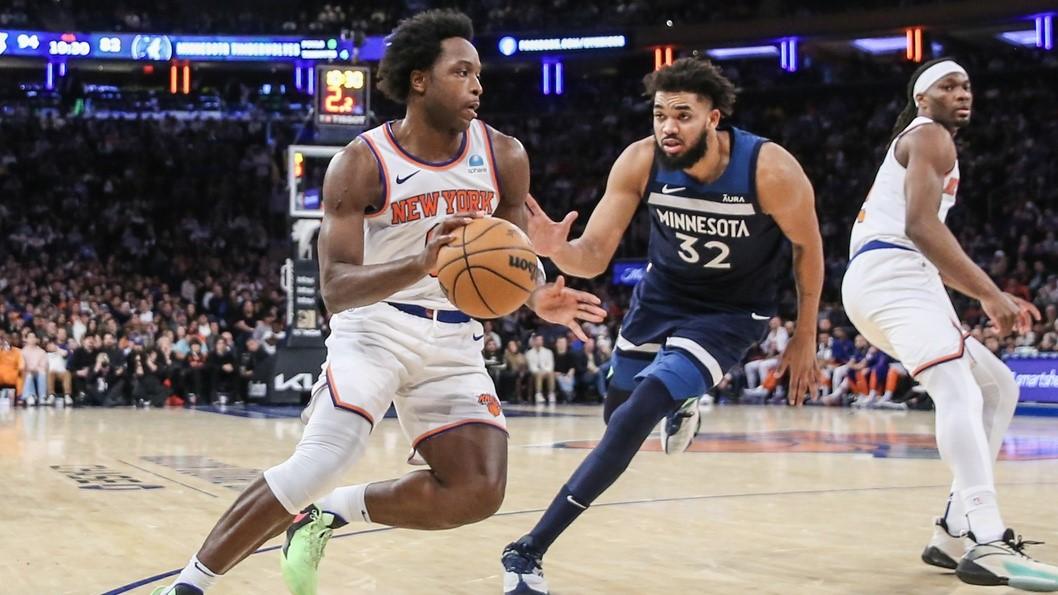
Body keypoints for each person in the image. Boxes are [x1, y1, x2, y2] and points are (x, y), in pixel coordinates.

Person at [151, 10, 605, 595]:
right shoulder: (361, 163)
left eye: (479, 74)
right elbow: (336, 288)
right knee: (322, 458)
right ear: (420, 80)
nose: (477, 85)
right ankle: (188, 585)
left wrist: (537, 293)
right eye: (461, 72)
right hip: (375, 327)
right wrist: (420, 262)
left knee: (477, 491)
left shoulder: (504, 156)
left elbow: (510, 266)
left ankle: (328, 515)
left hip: (454, 337)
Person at [501, 57, 824, 594]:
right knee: (617, 414)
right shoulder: (640, 162)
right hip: (663, 297)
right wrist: (558, 251)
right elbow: (595, 256)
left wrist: (805, 333)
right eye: (659, 114)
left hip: (729, 312)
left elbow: (807, 248)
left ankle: (528, 550)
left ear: (713, 118)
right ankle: (683, 398)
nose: (668, 127)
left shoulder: (769, 169)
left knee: (640, 411)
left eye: (683, 114)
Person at [842, 58, 1058, 589]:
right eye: (948, 85)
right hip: (892, 273)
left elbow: (923, 238)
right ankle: (987, 541)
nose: (962, 92)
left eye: (966, 84)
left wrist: (985, 291)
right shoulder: (931, 136)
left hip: (900, 275)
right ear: (922, 98)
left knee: (998, 387)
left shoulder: (926, 142)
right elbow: (919, 228)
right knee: (957, 387)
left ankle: (951, 532)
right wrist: (989, 293)